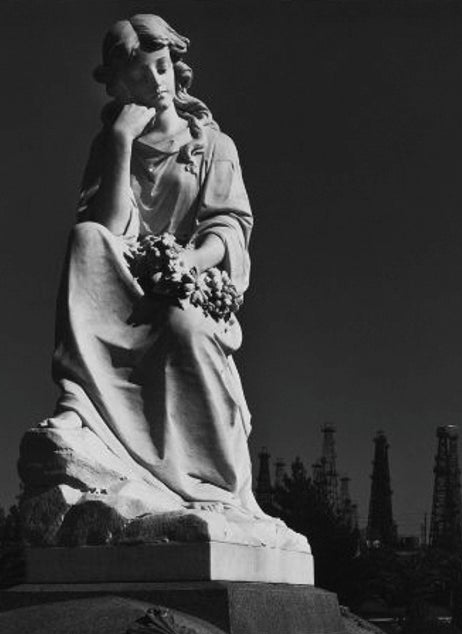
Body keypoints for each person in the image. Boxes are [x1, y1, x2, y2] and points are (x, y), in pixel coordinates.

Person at [18, 15, 306, 551]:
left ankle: (206, 482)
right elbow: (106, 231)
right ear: (119, 85)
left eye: (163, 65)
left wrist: (187, 264)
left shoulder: (212, 145)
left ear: (176, 67)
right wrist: (121, 142)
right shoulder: (110, 145)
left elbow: (228, 225)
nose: (157, 80)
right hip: (124, 282)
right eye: (140, 73)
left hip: (188, 284)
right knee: (83, 238)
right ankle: (83, 407)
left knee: (179, 325)